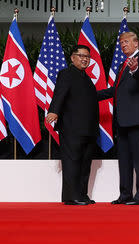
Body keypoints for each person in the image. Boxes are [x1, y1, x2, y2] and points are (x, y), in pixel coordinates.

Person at [98, 32, 139, 205]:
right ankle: (125, 195)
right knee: (124, 161)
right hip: (121, 121)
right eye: (121, 43)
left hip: (138, 119)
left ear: (136, 44)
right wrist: (90, 94)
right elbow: (116, 90)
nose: (123, 45)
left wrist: (135, 69)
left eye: (126, 42)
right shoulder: (123, 65)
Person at [46, 45, 98, 205]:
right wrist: (54, 110)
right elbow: (60, 93)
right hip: (71, 128)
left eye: (87, 57)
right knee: (72, 162)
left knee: (84, 163)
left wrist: (115, 91)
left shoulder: (86, 78)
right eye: (81, 55)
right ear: (72, 57)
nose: (84, 59)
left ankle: (82, 195)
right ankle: (71, 196)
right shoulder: (67, 73)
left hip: (88, 128)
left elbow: (92, 97)